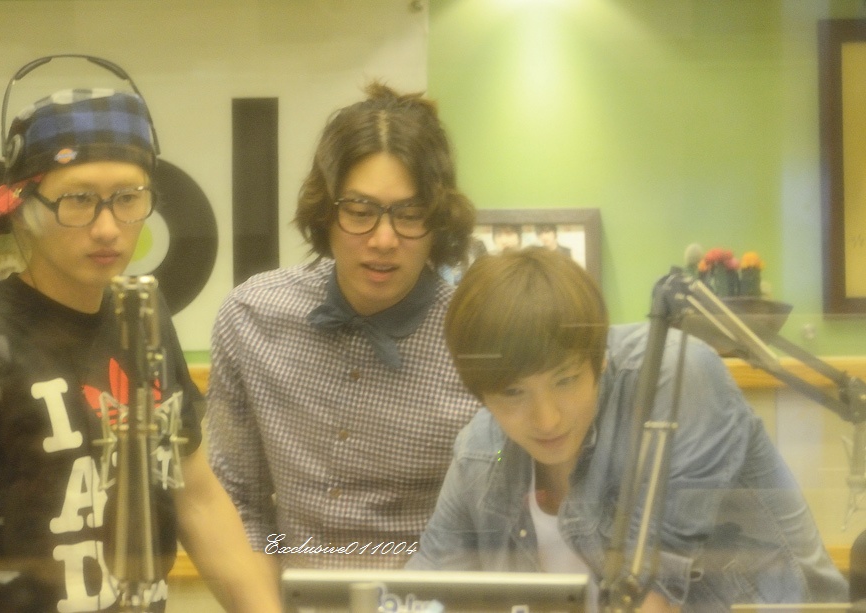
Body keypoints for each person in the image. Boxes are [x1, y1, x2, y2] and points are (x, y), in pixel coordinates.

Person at [0, 85, 280, 612]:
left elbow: (196, 497)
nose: (107, 228)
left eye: (128, 198)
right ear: (23, 209)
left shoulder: (143, 314)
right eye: (77, 200)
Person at [408, 247, 848, 611]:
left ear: (599, 359)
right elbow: (421, 590)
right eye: (512, 392)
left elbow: (653, 596)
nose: (547, 419)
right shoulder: (481, 452)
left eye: (565, 380)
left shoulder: (676, 381)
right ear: (480, 394)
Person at [206, 81, 482, 570]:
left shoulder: (475, 336)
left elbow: (503, 511)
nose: (384, 239)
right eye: (360, 212)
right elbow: (236, 499)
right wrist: (266, 603)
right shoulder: (251, 318)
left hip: (432, 597)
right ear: (324, 212)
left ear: (438, 220)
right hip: (290, 597)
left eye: (410, 215)